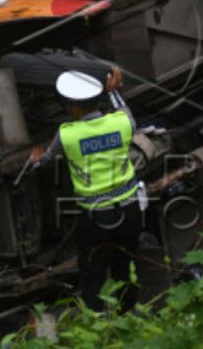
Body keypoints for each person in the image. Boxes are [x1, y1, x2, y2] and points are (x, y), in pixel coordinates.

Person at [30, 67, 143, 312]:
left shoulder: (67, 135)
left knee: (93, 276)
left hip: (95, 219)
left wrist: (35, 159)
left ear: (72, 108)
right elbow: (126, 114)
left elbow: (43, 162)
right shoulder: (122, 122)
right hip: (130, 210)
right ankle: (128, 318)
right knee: (126, 268)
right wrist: (114, 93)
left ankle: (96, 325)